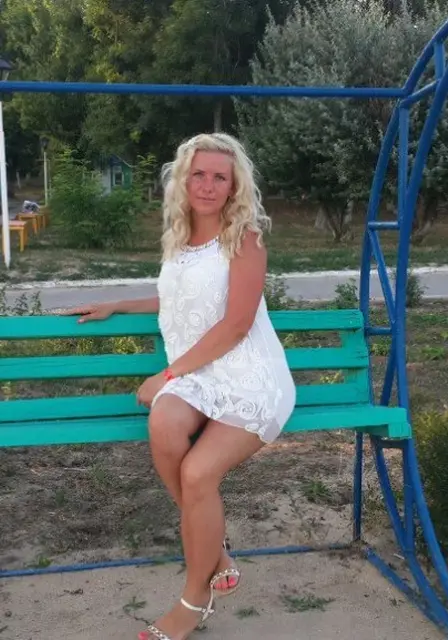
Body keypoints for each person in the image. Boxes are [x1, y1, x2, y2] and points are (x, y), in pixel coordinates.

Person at [62, 133, 296, 640]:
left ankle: (193, 599)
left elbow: (236, 325)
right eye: (198, 174)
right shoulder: (179, 237)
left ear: (234, 186)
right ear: (183, 180)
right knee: (164, 423)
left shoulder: (245, 238)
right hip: (199, 374)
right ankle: (217, 553)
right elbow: (179, 297)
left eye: (219, 177)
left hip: (248, 376)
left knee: (196, 473)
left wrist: (167, 375)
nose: (207, 185)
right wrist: (119, 304)